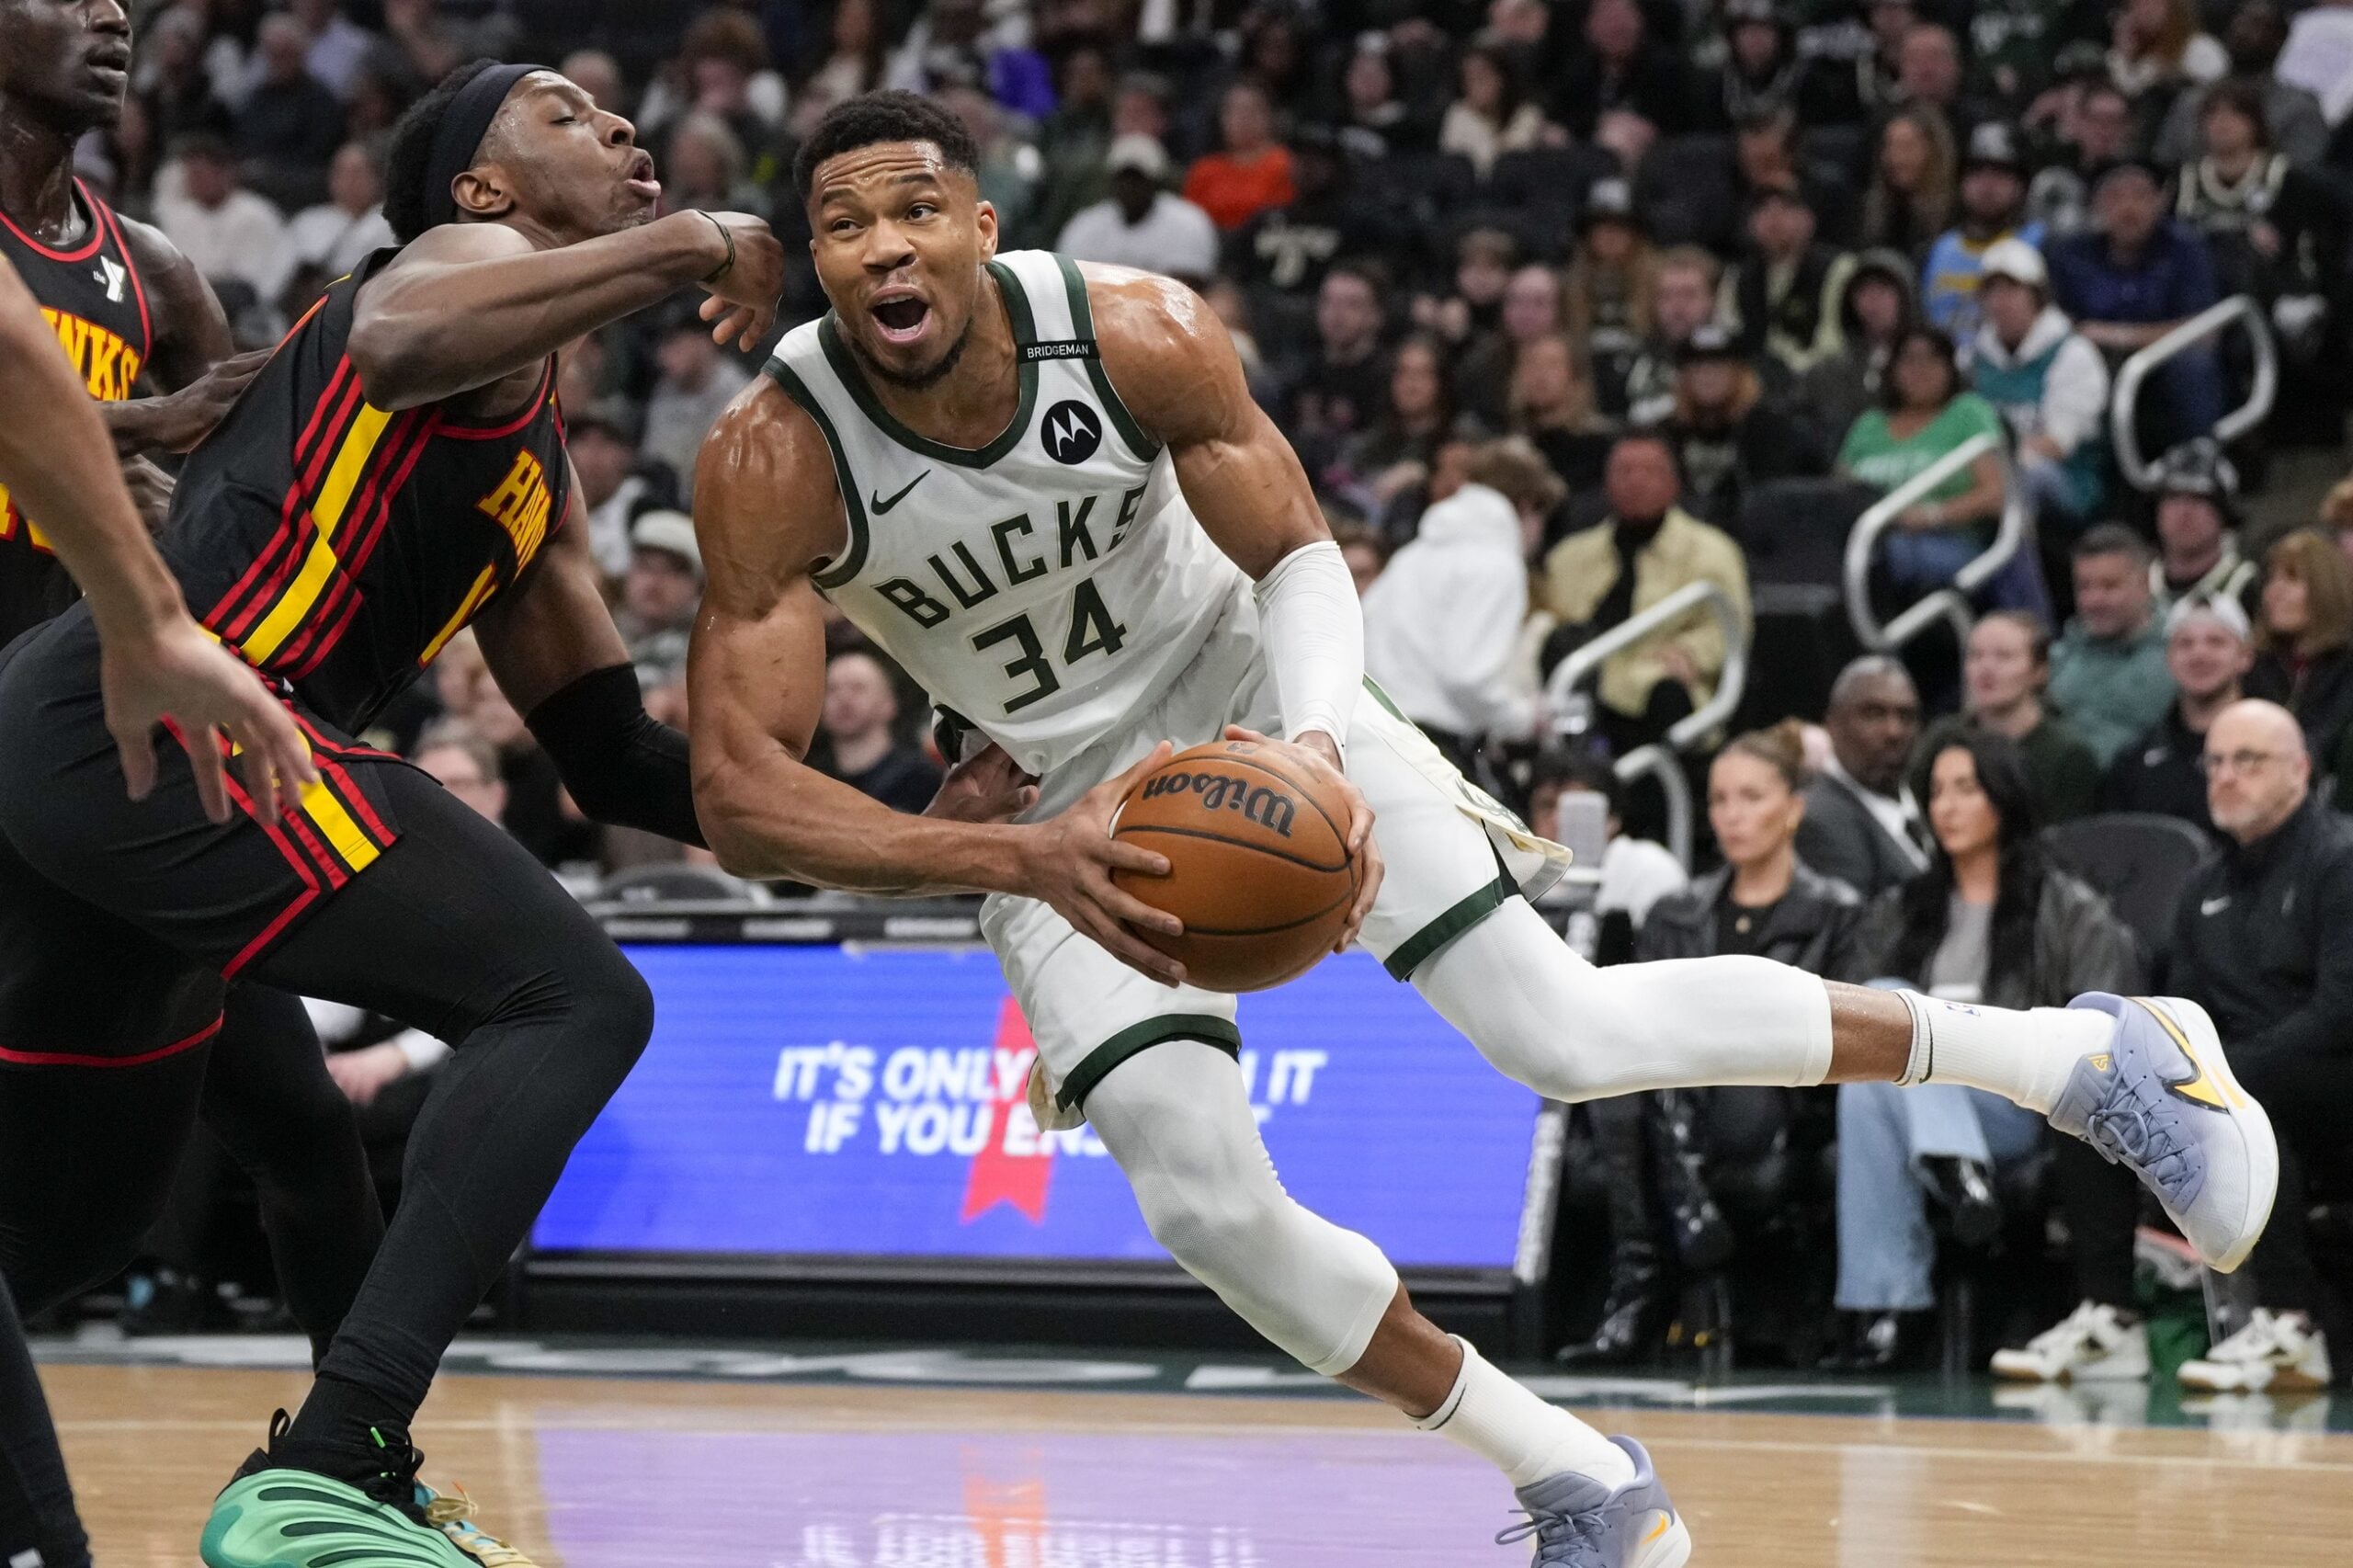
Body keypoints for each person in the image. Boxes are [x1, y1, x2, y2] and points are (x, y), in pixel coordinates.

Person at [697, 90, 2276, 1564]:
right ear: (813, 262)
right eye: (844, 226)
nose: (884, 248)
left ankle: (2086, 1062)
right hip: (1051, 808)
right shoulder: (773, 457)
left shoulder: (1131, 331)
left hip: (1253, 695)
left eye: (915, 211)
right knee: (1201, 1203)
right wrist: (1011, 854)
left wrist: (1315, 750)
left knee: (1560, 1031)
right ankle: (1575, 1473)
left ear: (980, 225)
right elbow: (740, 798)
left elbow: (1299, 555)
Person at [0, 60, 788, 1568]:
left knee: (119, 1210)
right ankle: (337, 1460)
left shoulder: (534, 467)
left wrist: (920, 837)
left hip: (134, 758)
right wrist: (693, 238)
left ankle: (358, 1471)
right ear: (482, 189)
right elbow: (401, 333)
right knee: (574, 998)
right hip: (159, 718)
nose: (618, 125)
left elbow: (618, 759)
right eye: (561, 112)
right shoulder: (452, 260)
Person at [0, 235, 323, 1568]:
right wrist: (133, 427)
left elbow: (243, 488)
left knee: (300, 1123)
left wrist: (173, 492)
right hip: (32, 756)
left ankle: (360, 1464)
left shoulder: (156, 272)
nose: (107, 9)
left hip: (98, 759)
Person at [1828, 731, 2141, 1370]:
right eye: (1937, 791)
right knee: (1877, 1039)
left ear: (2004, 799)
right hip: (1909, 1101)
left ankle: (1889, 1307)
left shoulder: (2066, 908)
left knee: (1897, 1029)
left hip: (2015, 1101)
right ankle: (1948, 1182)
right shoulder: (1902, 910)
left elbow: (2102, 1027)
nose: (1946, 806)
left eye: (1966, 789)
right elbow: (1846, 1016)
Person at [1560, 722, 1864, 1367]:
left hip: (1777, 1101)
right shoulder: (1675, 911)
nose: (1732, 815)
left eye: (1751, 797)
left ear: (1793, 809)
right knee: (1621, 1074)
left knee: (1646, 1078)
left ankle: (1646, 1282)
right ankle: (1679, 1219)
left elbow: (1837, 1035)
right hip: (1680, 1096)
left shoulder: (1836, 911)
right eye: (1720, 799)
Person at [2165, 699, 2350, 1392]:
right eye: (2215, 761)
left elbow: (2341, 1012)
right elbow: (2184, 1014)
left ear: (2300, 769)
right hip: (2243, 1079)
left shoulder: (2339, 860)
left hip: (2332, 1075)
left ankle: (2290, 1324)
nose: (2226, 775)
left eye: (2248, 760)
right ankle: (2109, 1317)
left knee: (2248, 1095)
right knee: (2090, 1093)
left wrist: (2226, 1076)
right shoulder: (2201, 887)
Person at [1540, 433, 1754, 755]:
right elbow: (1545, 622)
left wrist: (1692, 653)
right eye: (1625, 471)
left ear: (1674, 484)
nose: (1636, 482)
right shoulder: (1568, 557)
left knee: (1667, 696)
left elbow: (1730, 626)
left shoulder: (1713, 551)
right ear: (1606, 483)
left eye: (1650, 471)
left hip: (1659, 681)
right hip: (1579, 682)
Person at [1361, 439, 1559, 771]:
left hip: (1372, 735)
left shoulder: (1412, 555)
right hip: (1431, 751)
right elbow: (1469, 677)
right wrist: (1524, 719)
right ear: (1527, 507)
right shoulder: (1497, 564)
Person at [2046, 159, 2225, 444]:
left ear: (2160, 201)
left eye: (2140, 196)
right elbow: (2054, 321)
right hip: (2096, 362)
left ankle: (2199, 456)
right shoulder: (2071, 253)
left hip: (2164, 365)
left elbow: (2204, 333)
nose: (2128, 208)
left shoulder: (2186, 249)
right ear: (2096, 205)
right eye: (2115, 197)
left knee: (2193, 365)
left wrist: (2120, 336)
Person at [1836, 325, 2013, 598]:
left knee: (1883, 557)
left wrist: (1931, 515)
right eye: (1909, 360)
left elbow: (1997, 494)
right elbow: (1837, 493)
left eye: (1932, 358)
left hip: (1949, 541)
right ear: (1892, 370)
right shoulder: (1868, 425)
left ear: (1950, 368)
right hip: (1867, 537)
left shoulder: (1968, 413)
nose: (1921, 369)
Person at [1969, 240, 2109, 579]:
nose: (2000, 302)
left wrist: (1996, 466)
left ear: (2037, 295)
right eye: (1991, 292)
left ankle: (2022, 590)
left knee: (2028, 477)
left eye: (2011, 290)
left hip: (2067, 482)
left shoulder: (2072, 354)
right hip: (1989, 474)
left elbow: (2057, 445)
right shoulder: (1973, 356)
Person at [1920, 611, 2104, 822]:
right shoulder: (1943, 739)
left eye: (2004, 656)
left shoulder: (2069, 755)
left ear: (2039, 670)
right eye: (1975, 655)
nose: (1986, 669)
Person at [2100, 592, 2252, 832]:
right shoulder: (2133, 762)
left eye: (2216, 642)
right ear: (2168, 658)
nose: (2199, 654)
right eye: (2185, 644)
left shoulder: (2276, 752)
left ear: (2245, 656)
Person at [1656, 324, 1825, 532]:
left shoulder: (1774, 434)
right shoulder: (1664, 437)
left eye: (1719, 366)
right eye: (1698, 367)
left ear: (1741, 374)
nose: (1708, 376)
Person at [1797, 655, 1932, 897]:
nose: (1894, 731)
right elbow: (1858, 917)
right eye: (1874, 714)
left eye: (1906, 716)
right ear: (1833, 724)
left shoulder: (1929, 796)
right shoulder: (1818, 818)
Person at [2048, 527, 2176, 767]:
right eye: (2084, 587)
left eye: (2110, 586)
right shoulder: (2058, 657)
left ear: (2145, 583)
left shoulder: (2180, 653)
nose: (2094, 600)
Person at [2153, 1, 2329, 170]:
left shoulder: (2299, 108)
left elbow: (2304, 172)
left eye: (2256, 25)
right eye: (2238, 23)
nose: (2242, 31)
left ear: (2279, 40)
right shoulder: (2192, 100)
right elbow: (2165, 164)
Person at [153, 131, 296, 323]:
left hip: (248, 318)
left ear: (225, 173)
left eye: (200, 174)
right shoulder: (181, 216)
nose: (193, 181)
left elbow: (250, 287)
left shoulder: (256, 215)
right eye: (190, 174)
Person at [1921, 123, 2044, 342]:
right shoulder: (1938, 248)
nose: (1987, 184)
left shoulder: (2040, 243)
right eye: (1976, 171)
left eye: (2001, 173)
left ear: (2022, 185)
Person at [1719, 184, 1856, 377]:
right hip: (1755, 380)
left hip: (1818, 378)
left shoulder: (1838, 268)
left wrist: (1788, 371)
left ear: (1809, 219)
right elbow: (1729, 334)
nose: (1774, 218)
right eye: (1763, 209)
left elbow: (1833, 343)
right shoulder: (1739, 276)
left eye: (1786, 208)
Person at [2248, 528, 2353, 775]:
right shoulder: (2254, 666)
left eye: (2291, 578)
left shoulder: (2348, 667)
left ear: (2325, 588)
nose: (2275, 591)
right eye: (2271, 579)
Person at [1052, 134, 1217, 285]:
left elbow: (1190, 286)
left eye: (1138, 179)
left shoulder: (1187, 222)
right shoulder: (1086, 225)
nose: (1130, 187)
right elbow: (1069, 283)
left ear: (1155, 182)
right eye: (1124, 179)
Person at [1799, 249, 1919, 443]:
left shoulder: (1931, 365)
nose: (1873, 301)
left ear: (1905, 296)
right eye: (1863, 291)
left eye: (1884, 289)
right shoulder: (1827, 373)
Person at [642, 301, 754, 499]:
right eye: (660, 344)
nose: (662, 355)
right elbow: (654, 460)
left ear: (704, 341)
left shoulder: (742, 393)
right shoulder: (665, 391)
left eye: (673, 342)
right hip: (675, 504)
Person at [818, 648, 941, 813]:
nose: (843, 698)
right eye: (832, 689)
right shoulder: (812, 781)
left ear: (888, 703)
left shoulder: (922, 780)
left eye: (858, 688)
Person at [2147, 437, 2259, 615]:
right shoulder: (2138, 583)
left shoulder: (2250, 586)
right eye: (2173, 497)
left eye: (2199, 498)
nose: (2184, 511)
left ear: (2225, 512)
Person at [286, 141, 398, 309]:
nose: (349, 181)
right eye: (341, 173)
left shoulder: (390, 222)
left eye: (357, 173)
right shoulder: (308, 221)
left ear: (377, 179)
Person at [1181, 79, 1291, 233]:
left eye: (1251, 111)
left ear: (1270, 116)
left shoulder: (1286, 165)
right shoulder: (1203, 170)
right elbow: (1188, 223)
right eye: (1233, 111)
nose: (1242, 119)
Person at [1438, 38, 1551, 177]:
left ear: (1502, 79)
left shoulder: (1528, 114)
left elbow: (1507, 162)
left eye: (1482, 77)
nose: (1475, 85)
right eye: (1468, 79)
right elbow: (1454, 166)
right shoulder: (1458, 114)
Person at [617, 509, 702, 692]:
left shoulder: (705, 655)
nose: (654, 582)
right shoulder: (595, 633)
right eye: (645, 565)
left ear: (698, 587)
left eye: (674, 571)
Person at [1859, 106, 1956, 259]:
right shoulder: (1869, 214)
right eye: (1889, 146)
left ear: (1934, 151)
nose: (1895, 158)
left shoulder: (1955, 214)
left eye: (1907, 147)